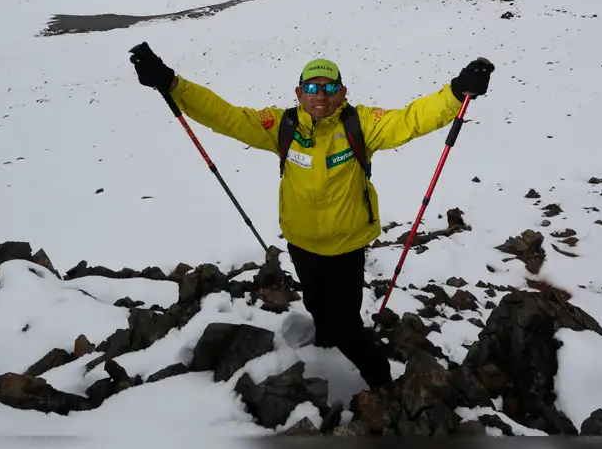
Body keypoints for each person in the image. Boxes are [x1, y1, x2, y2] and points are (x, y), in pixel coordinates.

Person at [129, 44, 494, 390]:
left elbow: (412, 119)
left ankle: (380, 378)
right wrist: (173, 84)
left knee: (348, 324)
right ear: (299, 92)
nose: (321, 95)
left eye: (330, 87)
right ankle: (325, 341)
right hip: (301, 243)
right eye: (312, 87)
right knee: (316, 304)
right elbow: (225, 116)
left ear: (343, 91)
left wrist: (456, 92)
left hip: (347, 245)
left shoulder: (361, 123)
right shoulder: (282, 126)